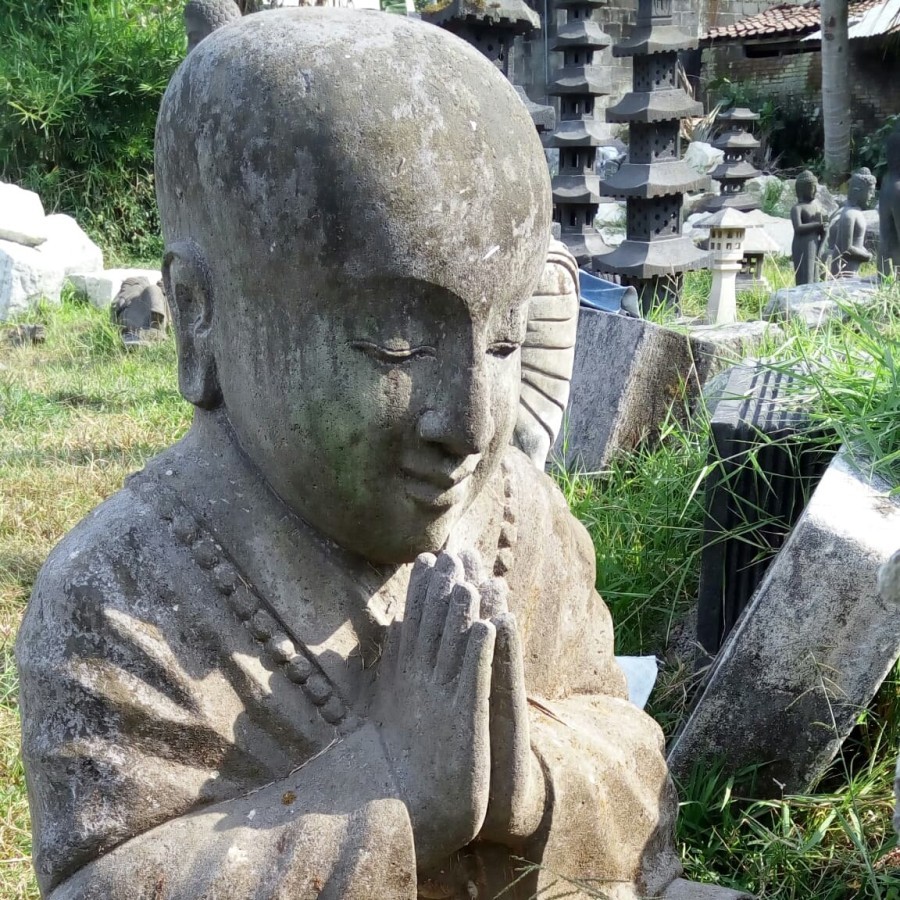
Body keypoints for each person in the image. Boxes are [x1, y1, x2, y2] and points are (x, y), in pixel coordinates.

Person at [17, 11, 745, 899]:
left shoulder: (521, 513)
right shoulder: (124, 592)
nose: (471, 423)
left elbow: (626, 752)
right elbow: (106, 886)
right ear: (199, 311)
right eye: (397, 345)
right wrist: (392, 789)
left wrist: (529, 776)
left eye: (508, 338)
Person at [790, 170, 826, 285]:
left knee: (815, 270)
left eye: (816, 188)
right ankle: (802, 294)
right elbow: (798, 227)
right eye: (812, 188)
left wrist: (824, 228)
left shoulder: (815, 207)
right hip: (802, 243)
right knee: (806, 273)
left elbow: (822, 228)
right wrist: (817, 224)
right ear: (802, 190)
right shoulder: (797, 208)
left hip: (815, 242)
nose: (815, 191)